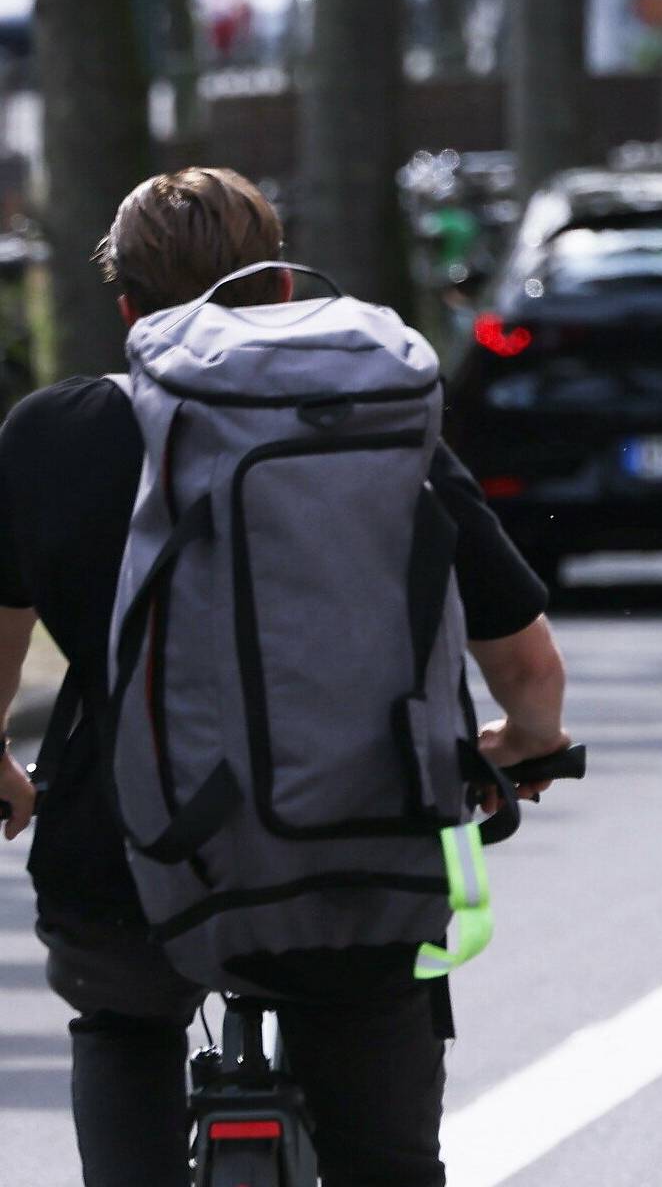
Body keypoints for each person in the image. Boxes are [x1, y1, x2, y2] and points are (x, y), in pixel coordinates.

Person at [0, 167, 571, 1186]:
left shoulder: (51, 436)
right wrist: (524, 742)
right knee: (382, 1150)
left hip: (125, 851)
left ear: (125, 306)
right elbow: (525, 663)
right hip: (353, 847)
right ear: (278, 291)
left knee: (124, 1022)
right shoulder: (376, 426)